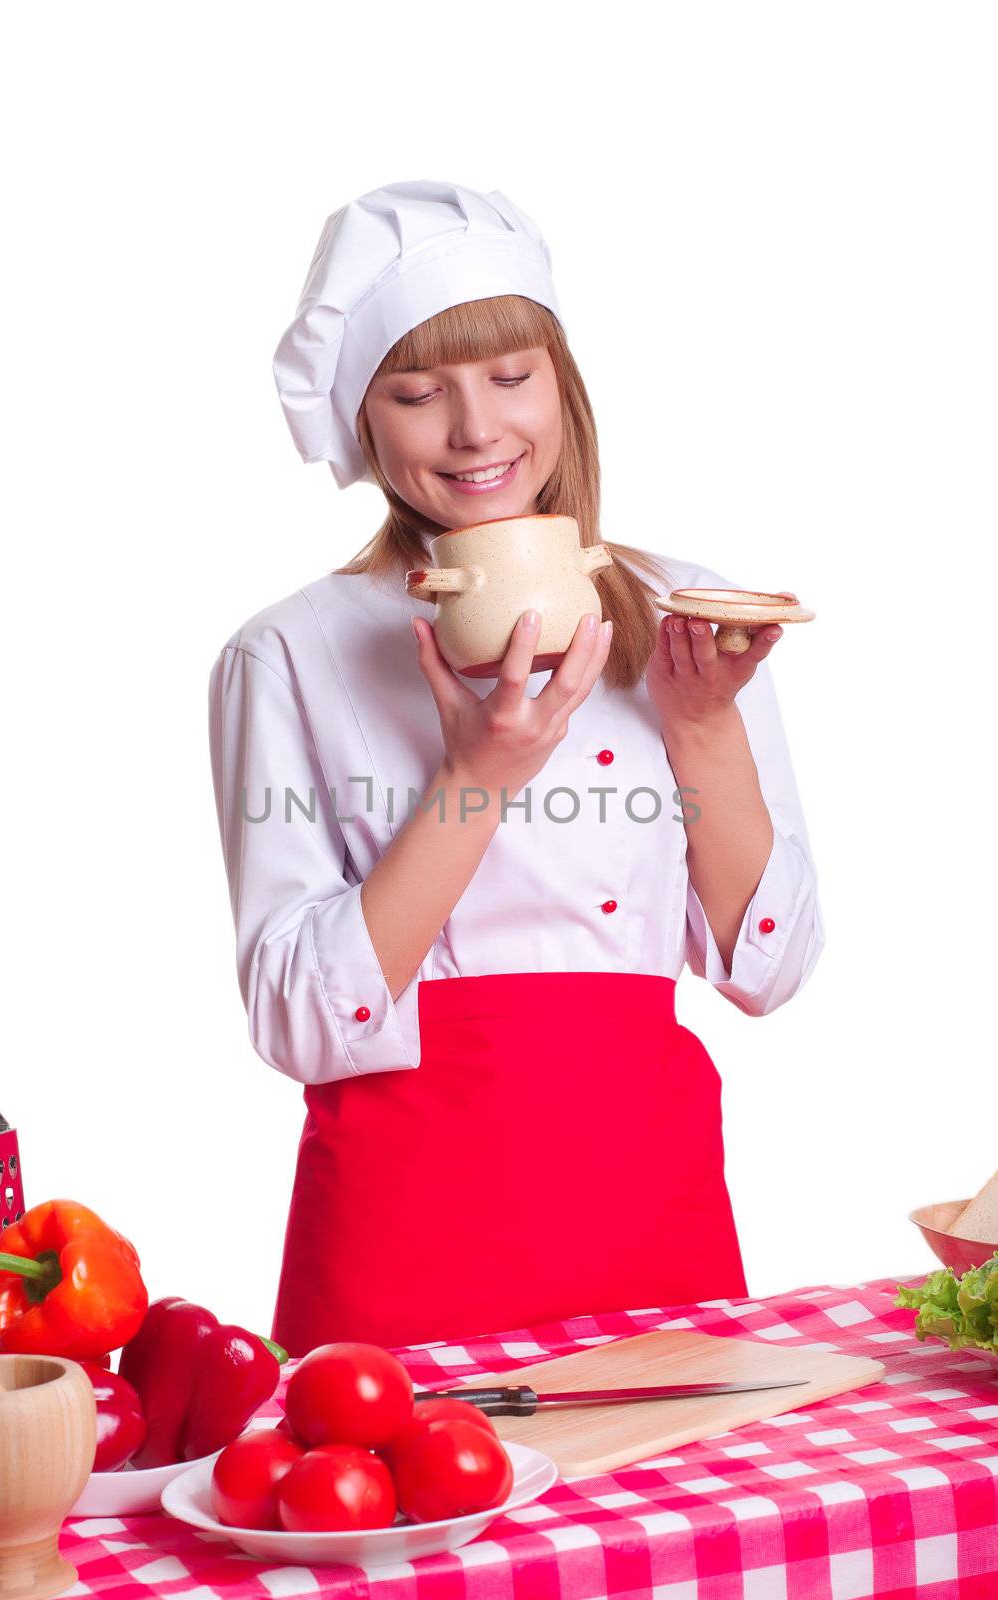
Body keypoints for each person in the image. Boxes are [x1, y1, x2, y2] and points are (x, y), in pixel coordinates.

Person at [207, 180, 825, 1359]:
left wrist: (703, 728)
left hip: (654, 1220)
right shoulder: (286, 652)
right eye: (416, 390)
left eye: (509, 375)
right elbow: (296, 1019)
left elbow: (771, 968)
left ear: (562, 385)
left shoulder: (687, 614)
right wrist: (477, 773)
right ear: (363, 424)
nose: (476, 429)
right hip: (405, 1251)